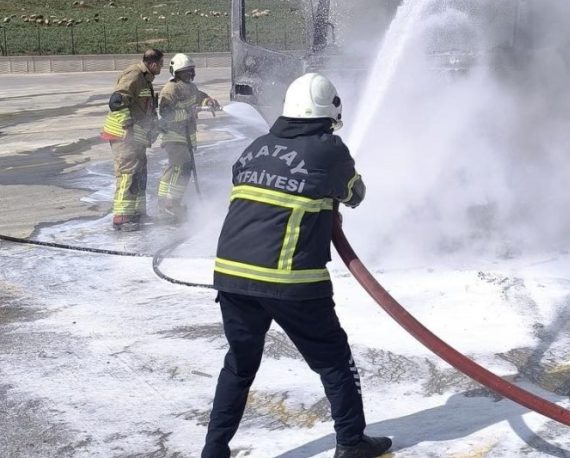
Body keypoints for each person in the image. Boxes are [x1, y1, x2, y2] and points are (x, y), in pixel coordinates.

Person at [202, 72, 392, 458]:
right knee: (335, 361)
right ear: (327, 113)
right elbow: (355, 194)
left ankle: (214, 450)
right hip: (290, 278)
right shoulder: (329, 149)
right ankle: (352, 442)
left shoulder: (255, 147)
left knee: (239, 367)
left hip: (232, 275)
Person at [100, 48, 163, 231]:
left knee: (139, 173)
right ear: (152, 63)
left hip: (136, 137)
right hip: (124, 135)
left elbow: (144, 108)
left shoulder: (145, 80)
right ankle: (121, 217)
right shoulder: (134, 75)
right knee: (127, 173)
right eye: (160, 64)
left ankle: (136, 212)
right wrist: (127, 126)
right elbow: (117, 101)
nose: (161, 68)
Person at [156, 53, 220, 221]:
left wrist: (209, 102)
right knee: (182, 167)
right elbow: (165, 113)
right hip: (173, 135)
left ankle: (164, 202)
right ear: (176, 73)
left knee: (174, 168)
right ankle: (171, 203)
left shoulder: (190, 87)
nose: (190, 75)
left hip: (186, 137)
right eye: (186, 72)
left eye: (191, 71)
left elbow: (200, 97)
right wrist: (187, 113)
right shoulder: (171, 89)